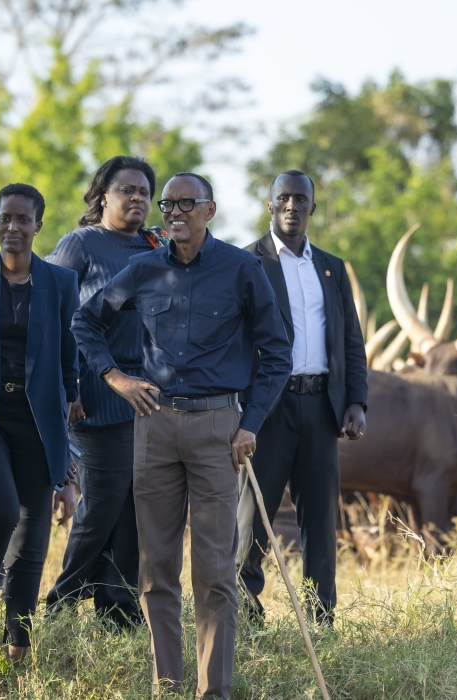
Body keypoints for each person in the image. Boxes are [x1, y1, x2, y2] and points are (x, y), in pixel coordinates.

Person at [73, 172, 291, 698]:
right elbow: (85, 321)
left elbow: (277, 353)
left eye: (185, 203)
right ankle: (167, 688)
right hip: (153, 425)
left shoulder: (241, 269)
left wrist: (250, 424)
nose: (173, 212)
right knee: (156, 571)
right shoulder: (144, 268)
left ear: (209, 210)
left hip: (219, 428)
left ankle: (212, 691)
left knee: (214, 572)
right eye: (167, 204)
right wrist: (116, 378)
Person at [0, 183, 81, 663]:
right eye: (5, 217)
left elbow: (69, 359)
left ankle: (18, 648)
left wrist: (67, 446)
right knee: (0, 511)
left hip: (39, 420)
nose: (13, 226)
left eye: (23, 219)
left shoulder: (61, 283)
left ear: (38, 225)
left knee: (31, 538)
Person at [237, 170, 369, 626]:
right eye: (284, 198)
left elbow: (351, 339)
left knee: (322, 525)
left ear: (313, 207)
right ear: (270, 205)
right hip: (267, 410)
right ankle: (245, 621)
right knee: (252, 522)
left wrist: (356, 401)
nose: (292, 206)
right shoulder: (246, 262)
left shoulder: (332, 267)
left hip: (321, 409)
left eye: (300, 199)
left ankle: (320, 623)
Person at [45, 155, 164, 628]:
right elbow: (55, 316)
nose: (137, 198)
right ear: (102, 197)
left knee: (135, 507)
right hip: (94, 391)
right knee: (101, 505)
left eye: (144, 191)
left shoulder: (157, 245)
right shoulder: (81, 243)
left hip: (148, 397)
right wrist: (69, 385)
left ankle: (119, 612)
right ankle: (60, 608)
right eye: (126, 190)